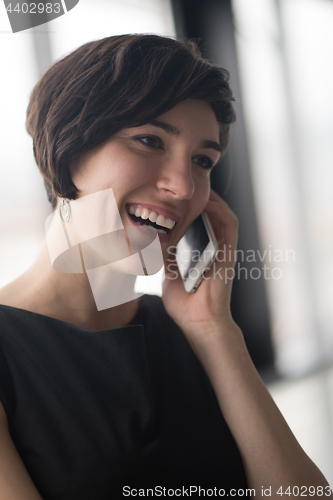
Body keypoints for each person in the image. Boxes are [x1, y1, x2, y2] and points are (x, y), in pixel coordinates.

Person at [0, 34, 331, 500]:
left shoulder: (191, 333)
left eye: (202, 161)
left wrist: (214, 331)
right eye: (150, 140)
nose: (182, 185)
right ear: (70, 150)